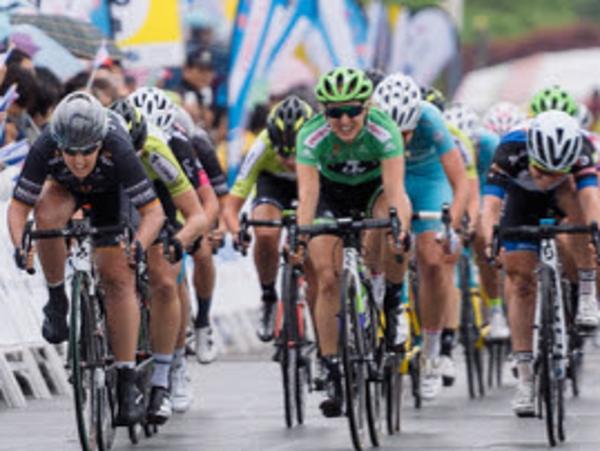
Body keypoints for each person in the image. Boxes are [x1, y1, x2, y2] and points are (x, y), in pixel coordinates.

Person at [7, 92, 165, 426]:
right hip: (65, 190)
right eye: (70, 153)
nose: (79, 161)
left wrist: (139, 244)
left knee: (115, 273)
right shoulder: (45, 144)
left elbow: (153, 212)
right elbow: (19, 207)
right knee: (47, 218)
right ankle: (57, 299)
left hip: (111, 193)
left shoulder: (118, 146)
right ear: (57, 145)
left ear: (101, 145)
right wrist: (21, 243)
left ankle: (125, 380)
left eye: (88, 152)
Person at [296, 67, 411, 417]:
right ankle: (331, 366)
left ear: (367, 107)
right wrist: (302, 237)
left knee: (384, 228)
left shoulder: (384, 129)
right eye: (334, 112)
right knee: (327, 277)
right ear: (323, 112)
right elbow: (308, 194)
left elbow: (395, 192)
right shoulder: (311, 135)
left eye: (353, 111)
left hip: (373, 191)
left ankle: (389, 300)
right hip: (330, 195)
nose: (344, 120)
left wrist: (400, 229)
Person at [481, 110, 600, 416]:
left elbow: (591, 201)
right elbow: (491, 206)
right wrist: (489, 241)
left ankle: (586, 293)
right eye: (540, 170)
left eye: (553, 172)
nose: (545, 179)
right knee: (520, 281)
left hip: (567, 196)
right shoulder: (510, 148)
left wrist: (594, 232)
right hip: (521, 201)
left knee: (580, 213)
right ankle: (525, 377)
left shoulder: (581, 150)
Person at [374, 73, 468, 400]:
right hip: (389, 179)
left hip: (429, 181)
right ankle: (393, 306)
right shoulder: (369, 120)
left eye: (407, 132)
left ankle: (431, 351)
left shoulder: (430, 118)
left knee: (431, 259)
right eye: (394, 133)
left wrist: (450, 227)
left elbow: (460, 182)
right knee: (385, 237)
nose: (402, 138)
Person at [223, 95, 314, 342]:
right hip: (273, 185)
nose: (289, 161)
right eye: (282, 153)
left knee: (316, 237)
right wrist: (237, 232)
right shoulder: (261, 146)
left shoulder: (320, 141)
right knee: (264, 231)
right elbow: (231, 206)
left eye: (294, 153)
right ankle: (268, 297)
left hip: (311, 183)